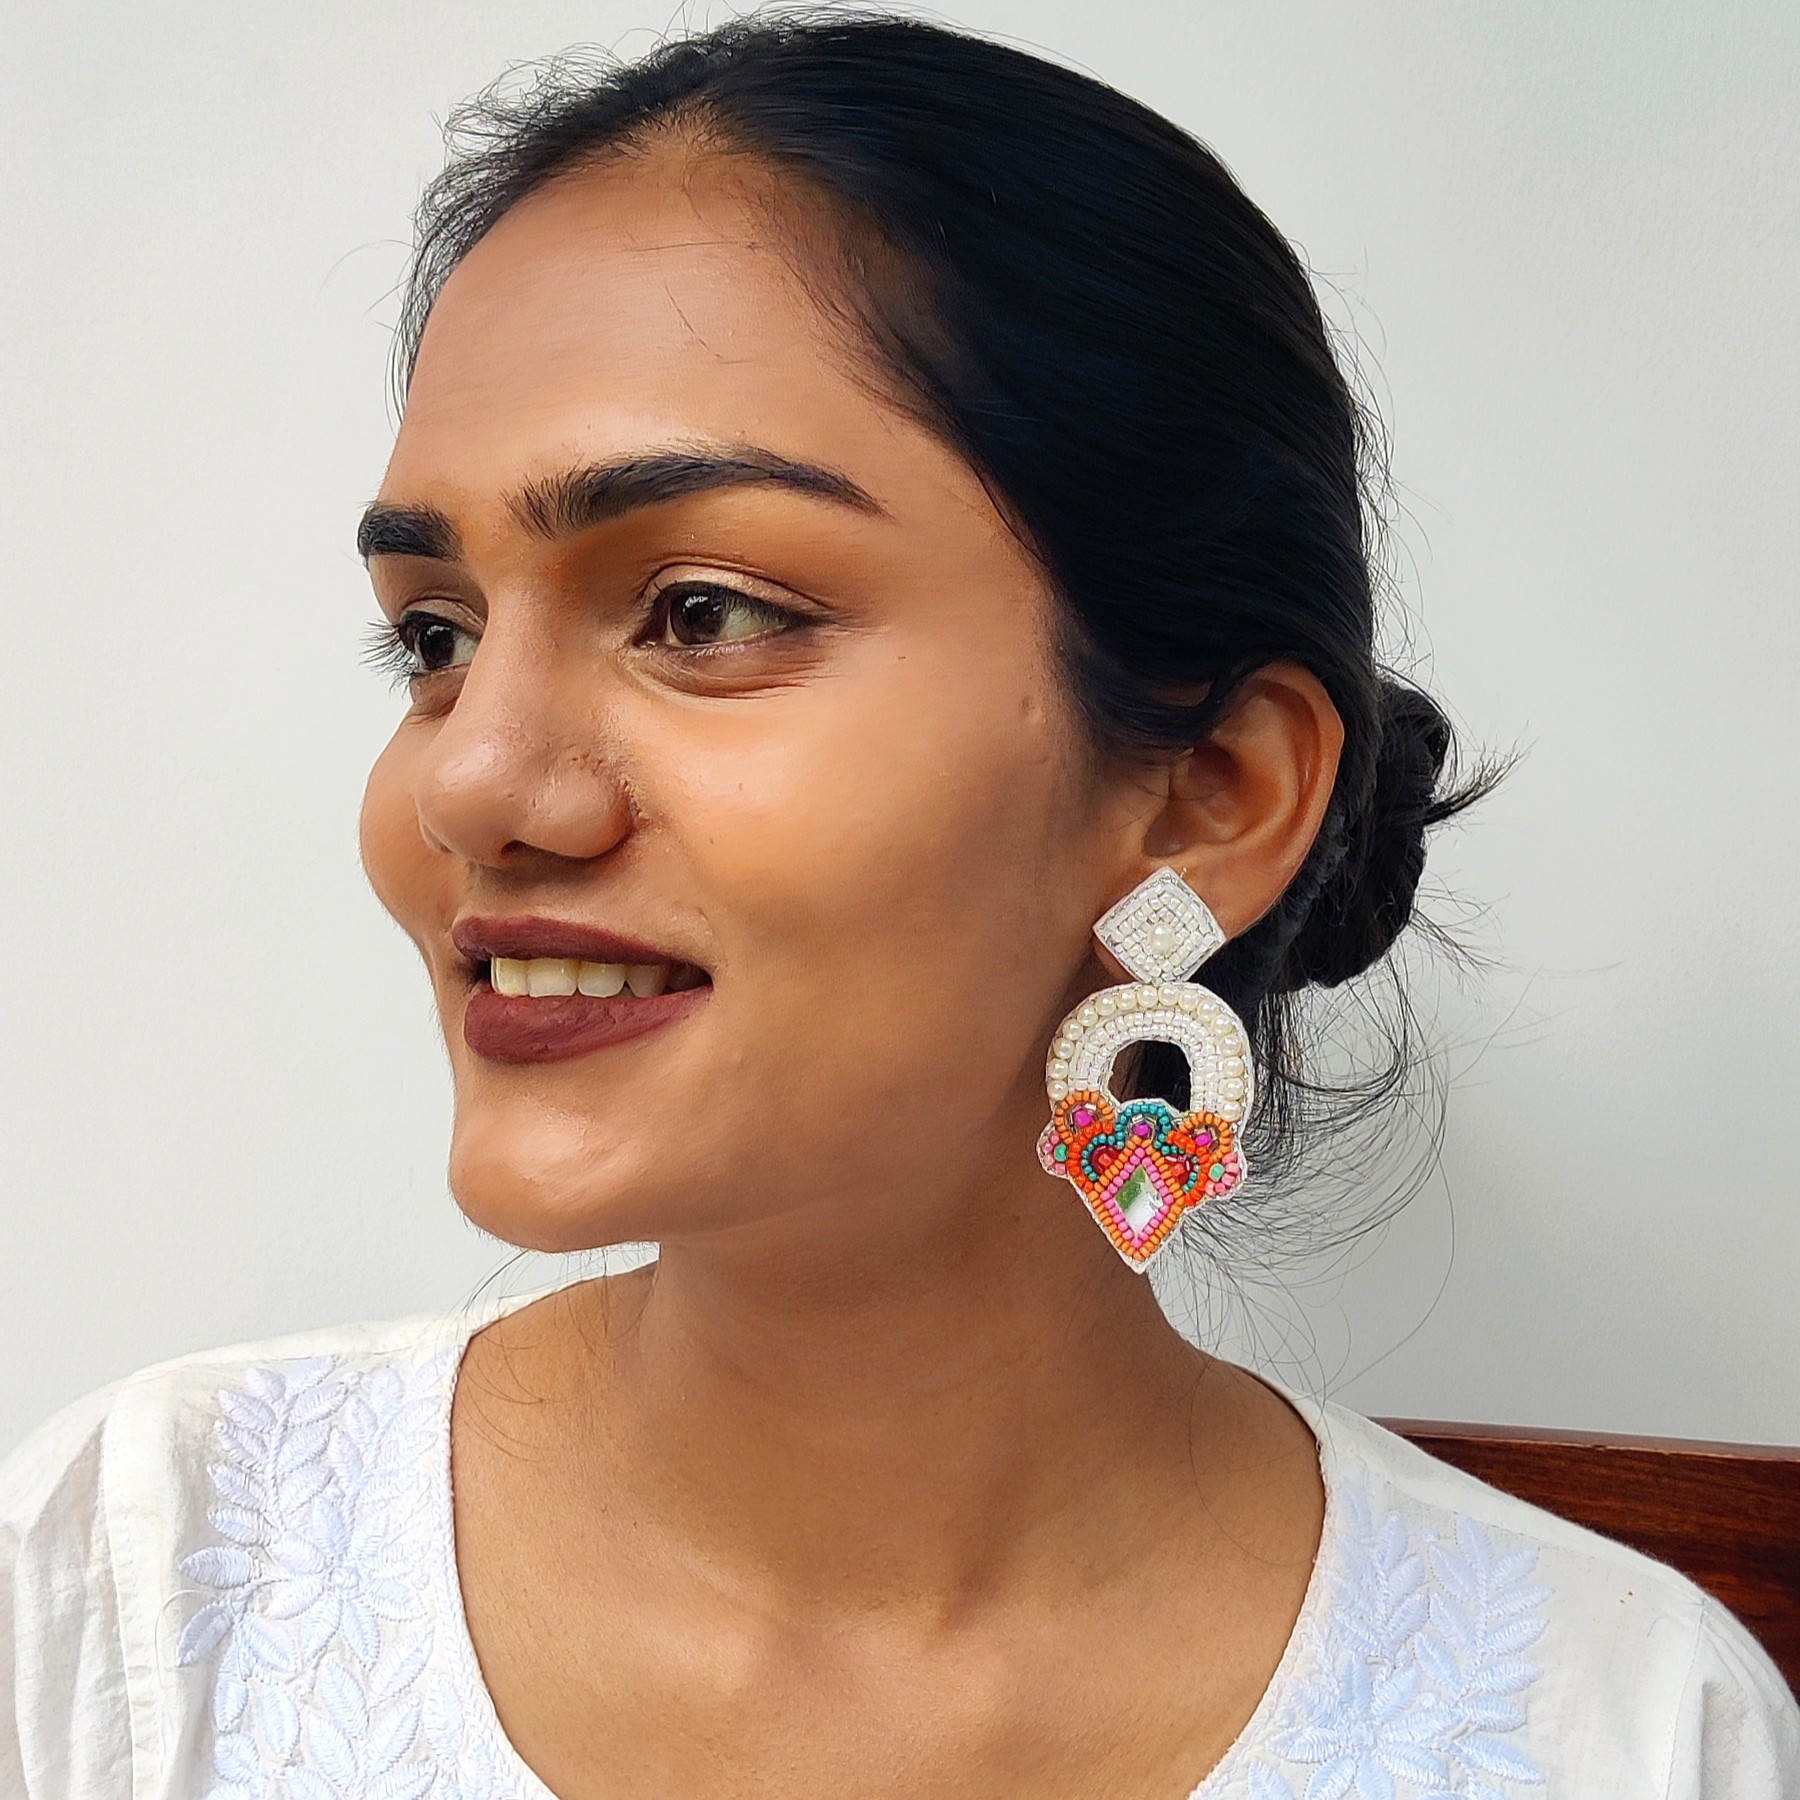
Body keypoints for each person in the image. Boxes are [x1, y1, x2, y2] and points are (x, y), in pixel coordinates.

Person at [3, 13, 1794, 1797]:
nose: (468, 782)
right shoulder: (142, 1594)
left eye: (703, 612)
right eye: (436, 637)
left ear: (1210, 794)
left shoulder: (1613, 1729)